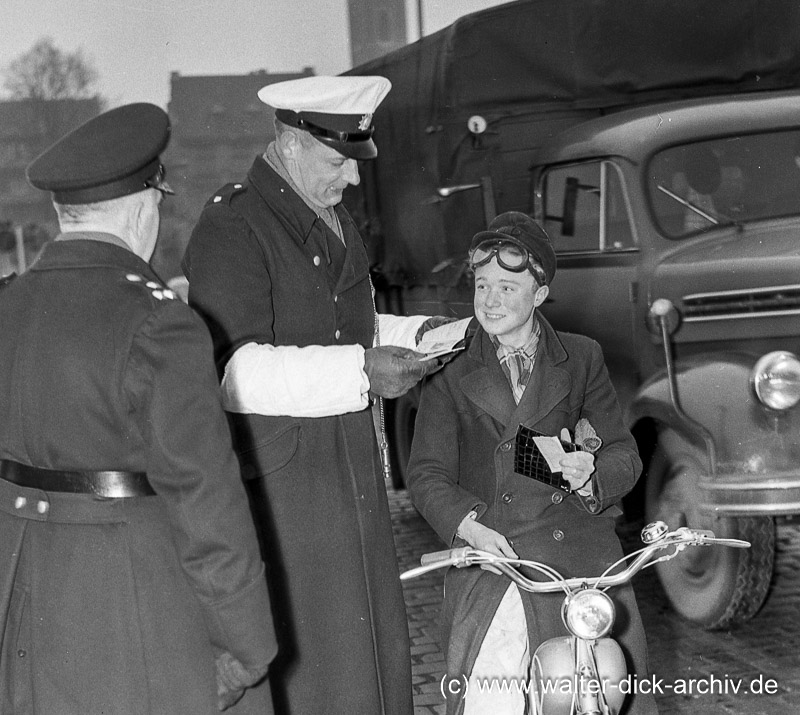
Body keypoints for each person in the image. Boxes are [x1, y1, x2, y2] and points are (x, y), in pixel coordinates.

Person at [0, 103, 277, 714]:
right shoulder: (160, 323)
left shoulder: (11, 306)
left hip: (27, 608)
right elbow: (206, 500)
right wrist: (248, 649)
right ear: (141, 206)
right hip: (139, 616)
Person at [182, 75, 443, 715]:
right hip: (286, 489)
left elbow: (334, 329)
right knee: (318, 668)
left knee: (367, 661)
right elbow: (231, 368)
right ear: (293, 142)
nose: (352, 181)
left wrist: (423, 334)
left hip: (346, 472)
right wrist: (360, 373)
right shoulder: (233, 226)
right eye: (339, 162)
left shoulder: (326, 215)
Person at [406, 212, 658, 715]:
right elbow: (426, 475)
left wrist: (591, 476)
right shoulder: (449, 367)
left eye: (506, 286)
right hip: (499, 555)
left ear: (540, 293)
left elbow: (624, 454)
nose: (490, 300)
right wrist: (470, 529)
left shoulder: (581, 358)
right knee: (489, 698)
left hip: (581, 559)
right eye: (482, 285)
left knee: (604, 692)